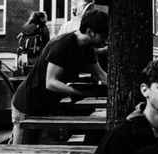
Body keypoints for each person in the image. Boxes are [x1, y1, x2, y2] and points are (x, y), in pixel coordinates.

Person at [10, 9, 109, 144]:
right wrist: (78, 92)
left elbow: (101, 75)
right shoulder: (63, 44)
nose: (106, 40)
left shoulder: (87, 48)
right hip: (27, 105)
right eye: (103, 35)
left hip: (47, 107)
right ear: (91, 32)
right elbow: (50, 82)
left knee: (42, 153)